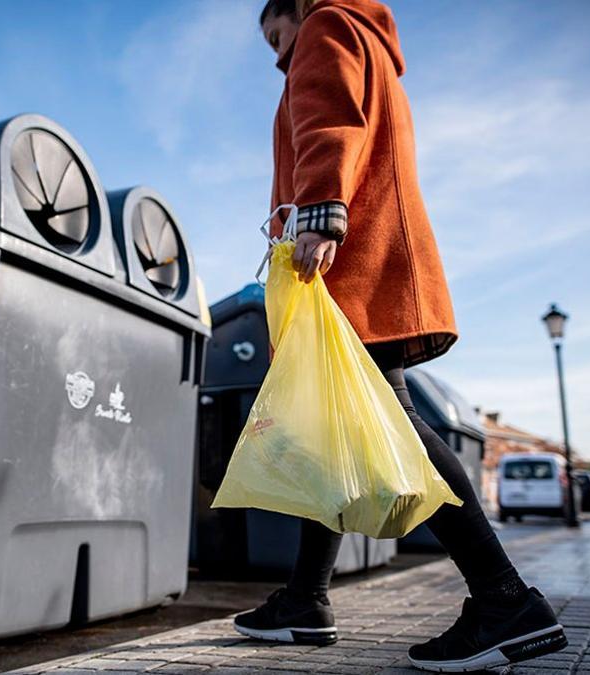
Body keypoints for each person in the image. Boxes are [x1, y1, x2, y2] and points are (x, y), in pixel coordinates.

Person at [233, 1, 569, 671]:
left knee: (392, 423)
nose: (276, 53)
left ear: (296, 9)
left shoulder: (328, 26)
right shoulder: (368, 42)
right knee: (327, 435)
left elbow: (330, 117)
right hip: (368, 259)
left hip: (354, 264)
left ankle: (506, 598)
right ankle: (306, 598)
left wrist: (321, 213)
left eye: (277, 34)